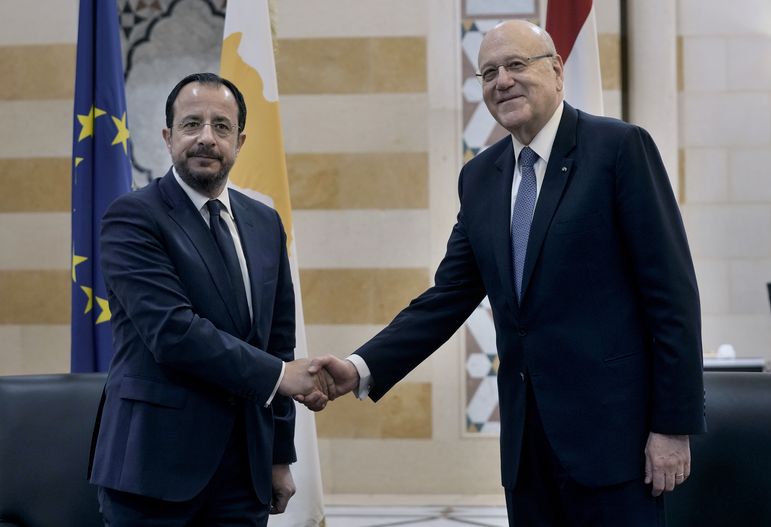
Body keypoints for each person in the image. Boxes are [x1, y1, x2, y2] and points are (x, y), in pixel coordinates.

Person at [305, 20, 705, 526]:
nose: (502, 81)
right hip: (526, 451)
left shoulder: (619, 149)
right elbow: (447, 297)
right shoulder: (479, 177)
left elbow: (672, 296)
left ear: (557, 72)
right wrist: (361, 366)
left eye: (517, 65)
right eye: (489, 73)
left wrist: (673, 426)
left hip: (616, 445)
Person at [89, 72, 327, 526]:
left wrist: (279, 455)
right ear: (167, 136)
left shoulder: (263, 223)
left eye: (221, 126)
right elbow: (173, 333)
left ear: (239, 141)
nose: (205, 138)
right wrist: (281, 376)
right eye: (191, 123)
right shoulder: (133, 217)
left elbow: (277, 341)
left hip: (244, 475)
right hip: (153, 471)